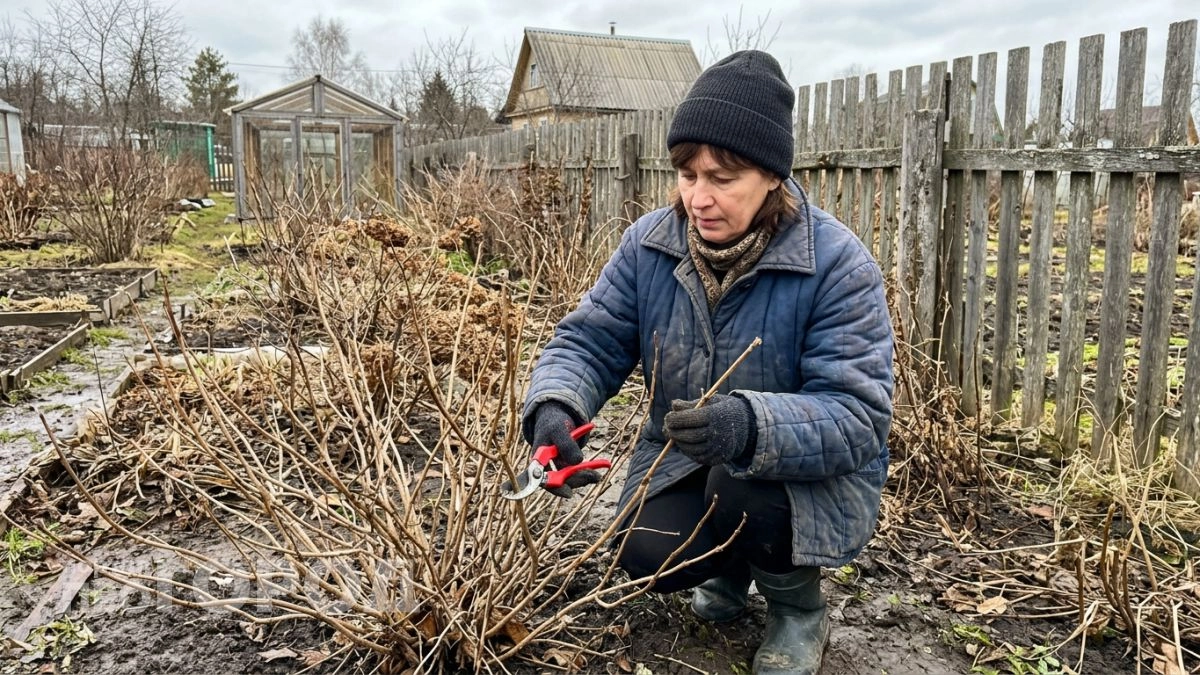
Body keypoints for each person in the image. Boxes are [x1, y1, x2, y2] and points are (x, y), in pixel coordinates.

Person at [521, 50, 894, 675]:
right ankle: (729, 569)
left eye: (723, 178)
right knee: (640, 552)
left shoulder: (838, 265)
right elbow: (588, 341)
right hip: (686, 455)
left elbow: (857, 416)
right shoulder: (649, 245)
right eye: (688, 175)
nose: (699, 197)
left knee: (743, 488)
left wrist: (749, 426)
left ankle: (797, 607)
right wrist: (557, 407)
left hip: (797, 480)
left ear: (773, 175)